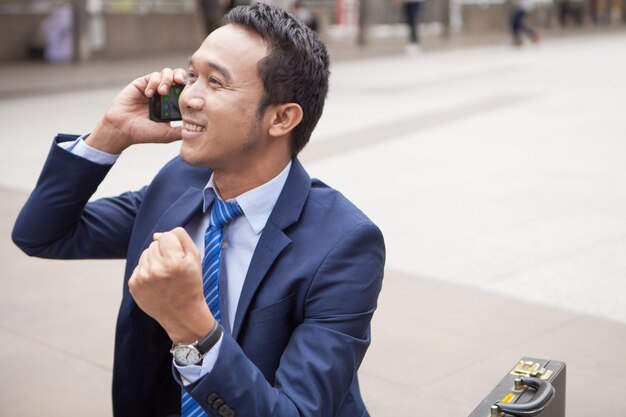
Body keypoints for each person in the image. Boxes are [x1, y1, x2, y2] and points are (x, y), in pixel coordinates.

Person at [12, 3, 385, 417]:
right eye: (192, 75)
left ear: (281, 118)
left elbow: (297, 411)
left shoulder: (345, 244)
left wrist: (192, 326)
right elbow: (43, 234)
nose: (187, 96)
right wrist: (110, 133)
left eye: (215, 83)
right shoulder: (178, 183)